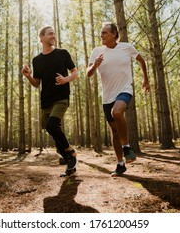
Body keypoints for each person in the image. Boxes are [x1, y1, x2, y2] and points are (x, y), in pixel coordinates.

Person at [86, 23, 150, 176]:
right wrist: (95, 65)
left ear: (114, 34)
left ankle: (127, 146)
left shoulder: (127, 47)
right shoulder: (97, 51)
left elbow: (141, 61)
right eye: (101, 33)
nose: (101, 35)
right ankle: (121, 164)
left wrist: (145, 80)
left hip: (124, 89)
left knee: (118, 112)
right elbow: (88, 73)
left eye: (105, 33)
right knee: (114, 132)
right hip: (107, 95)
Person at [22, 26, 79, 177]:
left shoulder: (62, 53)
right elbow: (36, 83)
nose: (53, 36)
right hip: (46, 100)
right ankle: (70, 164)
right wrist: (28, 76)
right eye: (50, 34)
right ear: (41, 38)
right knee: (52, 130)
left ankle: (71, 153)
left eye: (54, 33)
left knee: (52, 125)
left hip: (61, 97)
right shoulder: (37, 60)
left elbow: (75, 73)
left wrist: (65, 79)